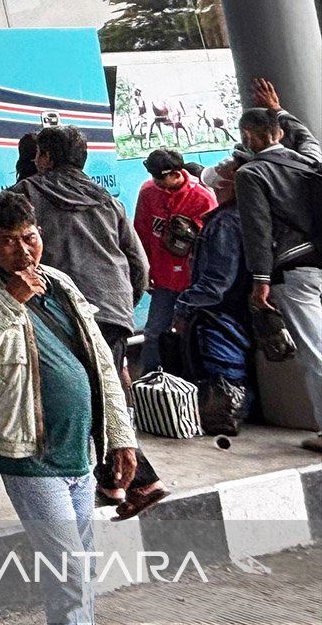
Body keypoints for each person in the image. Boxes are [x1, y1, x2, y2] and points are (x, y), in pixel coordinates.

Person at [0, 192, 138, 625]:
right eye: (8, 240)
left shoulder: (61, 284)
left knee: (83, 564)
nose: (23, 249)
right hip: (28, 454)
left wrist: (122, 437)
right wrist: (10, 301)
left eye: (29, 237)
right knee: (69, 568)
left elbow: (102, 365)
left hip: (80, 450)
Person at [12, 126, 165, 518]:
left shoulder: (27, 195)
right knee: (101, 390)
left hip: (68, 313)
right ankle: (113, 483)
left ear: (44, 157)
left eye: (38, 154)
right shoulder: (108, 201)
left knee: (93, 397)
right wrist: (123, 308)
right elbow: (140, 265)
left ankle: (143, 481)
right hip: (113, 308)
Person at [233, 108, 322, 453]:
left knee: (315, 351)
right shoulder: (308, 162)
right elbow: (309, 139)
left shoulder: (252, 174)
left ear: (248, 137)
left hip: (295, 269)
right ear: (280, 134)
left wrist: (260, 279)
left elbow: (257, 229)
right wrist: (282, 111)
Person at [173, 159, 254, 418]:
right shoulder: (248, 216)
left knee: (222, 370)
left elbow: (217, 281)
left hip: (220, 312)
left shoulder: (225, 223)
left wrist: (184, 307)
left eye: (219, 188)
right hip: (239, 307)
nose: (215, 192)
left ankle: (226, 413)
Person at [134, 148, 217, 373]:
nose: (157, 183)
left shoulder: (202, 197)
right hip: (163, 278)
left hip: (193, 281)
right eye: (154, 178)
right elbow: (141, 233)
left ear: (177, 172)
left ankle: (196, 380)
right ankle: (150, 382)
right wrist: (145, 271)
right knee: (154, 333)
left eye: (162, 178)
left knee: (196, 334)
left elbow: (213, 245)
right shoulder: (148, 192)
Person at [251, 77, 322, 161]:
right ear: (280, 134)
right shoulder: (309, 166)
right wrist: (277, 109)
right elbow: (307, 142)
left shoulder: (247, 170)